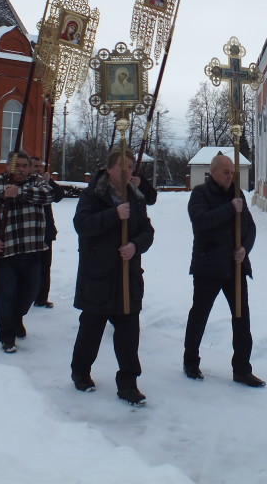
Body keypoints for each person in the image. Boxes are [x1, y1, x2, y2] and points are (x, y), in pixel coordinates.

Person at [70, 149, 155, 406]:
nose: (128, 171)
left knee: (129, 334)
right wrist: (114, 214)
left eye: (131, 167)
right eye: (122, 166)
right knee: (91, 330)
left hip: (128, 276)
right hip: (98, 275)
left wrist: (135, 246)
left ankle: (128, 383)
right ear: (109, 169)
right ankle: (81, 372)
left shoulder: (135, 197)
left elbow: (147, 231)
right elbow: (82, 224)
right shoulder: (93, 194)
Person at [183, 153, 264, 387]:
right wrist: (230, 209)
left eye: (232, 172)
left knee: (241, 317)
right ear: (213, 172)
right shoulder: (200, 194)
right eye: (226, 172)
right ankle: (191, 361)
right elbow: (201, 221)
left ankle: (242, 368)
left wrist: (244, 249)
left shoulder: (237, 194)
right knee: (200, 315)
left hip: (235, 267)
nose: (230, 176)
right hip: (208, 266)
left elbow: (250, 227)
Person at [0, 151, 55, 352]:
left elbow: (49, 195)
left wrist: (19, 192)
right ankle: (7, 336)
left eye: (25, 166)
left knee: (31, 291)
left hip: (32, 249)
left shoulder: (36, 182)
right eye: (18, 166)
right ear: (8, 165)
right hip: (5, 251)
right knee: (5, 294)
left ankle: (16, 317)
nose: (22, 170)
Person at [31, 156, 64, 309]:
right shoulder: (28, 184)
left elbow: (59, 196)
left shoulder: (46, 183)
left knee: (45, 266)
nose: (39, 169)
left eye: (40, 166)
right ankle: (28, 294)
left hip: (46, 231)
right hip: (30, 232)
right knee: (31, 267)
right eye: (35, 166)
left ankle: (42, 297)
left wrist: (50, 181)